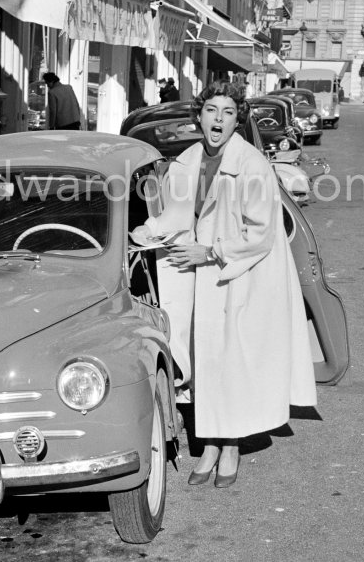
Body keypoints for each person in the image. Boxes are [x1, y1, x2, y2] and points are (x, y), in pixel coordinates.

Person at [132, 80, 317, 488]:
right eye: (212, 110)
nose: (218, 119)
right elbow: (174, 215)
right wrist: (144, 234)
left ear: (238, 120)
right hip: (198, 276)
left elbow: (261, 234)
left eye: (228, 112)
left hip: (240, 273)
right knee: (203, 359)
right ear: (199, 116)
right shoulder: (185, 162)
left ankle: (229, 445)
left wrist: (210, 252)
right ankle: (210, 443)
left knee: (231, 358)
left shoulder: (252, 165)